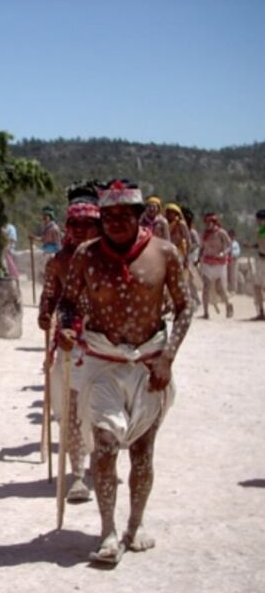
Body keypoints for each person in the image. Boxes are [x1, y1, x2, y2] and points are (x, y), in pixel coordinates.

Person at [57, 179, 192, 565]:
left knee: (143, 452)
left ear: (138, 216)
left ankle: (135, 525)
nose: (115, 222)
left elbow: (185, 307)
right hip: (103, 362)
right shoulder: (85, 255)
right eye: (108, 216)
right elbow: (68, 302)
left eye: (123, 216)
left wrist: (167, 357)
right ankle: (107, 531)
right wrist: (67, 327)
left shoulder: (164, 253)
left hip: (149, 364)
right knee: (103, 446)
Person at [38, 200, 102, 502]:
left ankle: (101, 463)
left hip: (107, 345)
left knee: (101, 411)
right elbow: (49, 296)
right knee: (72, 410)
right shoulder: (59, 261)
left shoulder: (112, 261)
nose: (79, 231)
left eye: (86, 225)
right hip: (70, 344)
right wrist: (44, 315)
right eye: (74, 225)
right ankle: (77, 475)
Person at [199, 213, 233, 319]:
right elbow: (201, 247)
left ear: (214, 223)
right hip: (207, 262)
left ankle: (228, 305)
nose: (209, 225)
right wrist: (198, 259)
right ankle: (205, 312)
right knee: (206, 287)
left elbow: (230, 245)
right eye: (207, 223)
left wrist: (224, 253)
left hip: (219, 263)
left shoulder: (221, 233)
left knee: (220, 288)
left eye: (211, 222)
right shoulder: (204, 234)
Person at [249, 209, 265, 320]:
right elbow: (260, 244)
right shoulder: (261, 230)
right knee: (257, 287)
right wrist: (252, 246)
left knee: (260, 287)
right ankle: (261, 312)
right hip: (261, 259)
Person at [227, 229, 241, 293]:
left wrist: (232, 255)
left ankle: (233, 290)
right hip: (226, 260)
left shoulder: (235, 244)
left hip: (233, 260)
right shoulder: (227, 242)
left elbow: (237, 252)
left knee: (233, 275)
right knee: (227, 275)